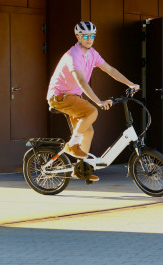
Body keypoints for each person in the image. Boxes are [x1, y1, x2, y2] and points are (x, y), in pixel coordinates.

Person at [47, 21, 139, 181]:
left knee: (88, 132)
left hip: (73, 97)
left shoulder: (92, 53)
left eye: (92, 36)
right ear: (78, 37)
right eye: (85, 36)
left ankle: (80, 170)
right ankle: (72, 145)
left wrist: (130, 84)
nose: (89, 39)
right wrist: (98, 101)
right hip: (60, 96)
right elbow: (82, 81)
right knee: (92, 111)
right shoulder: (73, 55)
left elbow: (110, 69)